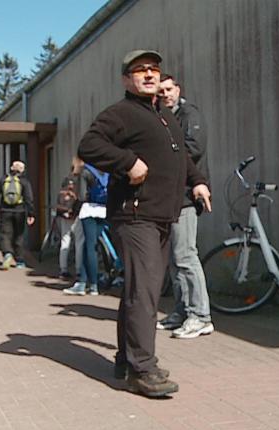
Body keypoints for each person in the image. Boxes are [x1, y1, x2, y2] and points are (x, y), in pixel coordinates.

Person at [77, 49, 211, 397]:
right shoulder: (121, 113)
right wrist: (127, 162)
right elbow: (88, 145)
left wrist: (197, 181)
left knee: (139, 291)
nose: (149, 75)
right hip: (135, 216)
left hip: (162, 215)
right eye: (139, 71)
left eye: (153, 69)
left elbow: (180, 156)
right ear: (127, 80)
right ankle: (142, 369)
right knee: (144, 292)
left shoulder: (164, 115)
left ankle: (127, 360)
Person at [156, 74, 214, 339]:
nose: (165, 94)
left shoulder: (189, 115)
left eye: (169, 89)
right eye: (161, 91)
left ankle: (201, 316)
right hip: (170, 197)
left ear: (178, 89)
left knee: (186, 256)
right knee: (174, 260)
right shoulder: (165, 118)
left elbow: (193, 149)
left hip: (187, 197)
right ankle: (182, 310)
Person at [63, 163, 108, 296]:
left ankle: (89, 284)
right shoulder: (107, 171)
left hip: (89, 210)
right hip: (104, 209)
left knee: (88, 246)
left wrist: (73, 210)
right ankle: (86, 283)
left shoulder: (86, 171)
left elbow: (82, 196)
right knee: (93, 246)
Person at [0, 161, 35, 269]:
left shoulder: (3, 180)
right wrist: (31, 213)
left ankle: (7, 253)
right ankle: (19, 261)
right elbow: (29, 198)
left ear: (11, 168)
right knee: (19, 235)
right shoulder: (24, 181)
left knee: (5, 234)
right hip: (20, 211)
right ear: (22, 170)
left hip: (5, 211)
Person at [55, 176, 79, 279]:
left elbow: (58, 206)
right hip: (75, 219)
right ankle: (79, 270)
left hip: (64, 219)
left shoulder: (61, 194)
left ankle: (63, 269)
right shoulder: (75, 193)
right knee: (79, 243)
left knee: (65, 242)